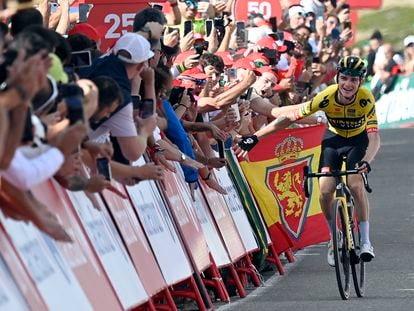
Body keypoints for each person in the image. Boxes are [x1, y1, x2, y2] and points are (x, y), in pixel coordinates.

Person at [235, 55, 381, 266]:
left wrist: (367, 161)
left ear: (361, 82)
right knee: (324, 191)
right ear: (338, 78)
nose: (348, 84)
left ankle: (366, 241)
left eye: (354, 80)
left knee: (355, 184)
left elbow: (374, 137)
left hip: (357, 142)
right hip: (334, 140)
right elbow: (289, 118)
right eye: (345, 78)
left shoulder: (366, 99)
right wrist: (256, 137)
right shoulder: (326, 97)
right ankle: (334, 237)